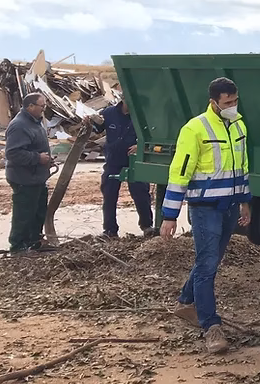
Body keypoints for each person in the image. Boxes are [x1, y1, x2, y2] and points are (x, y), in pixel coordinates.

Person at [159, 77, 251, 354]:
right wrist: (169, 215)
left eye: (235, 101)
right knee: (208, 264)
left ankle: (185, 302)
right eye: (227, 103)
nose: (233, 106)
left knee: (210, 261)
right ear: (213, 102)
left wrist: (246, 203)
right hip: (204, 208)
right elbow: (179, 174)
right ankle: (211, 326)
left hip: (230, 206)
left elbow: (243, 166)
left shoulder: (238, 125)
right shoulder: (195, 129)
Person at [91, 97, 154, 238]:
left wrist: (141, 146)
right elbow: (98, 129)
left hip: (134, 161)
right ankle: (109, 230)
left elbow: (153, 135)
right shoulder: (109, 113)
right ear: (123, 98)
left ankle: (147, 226)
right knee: (109, 195)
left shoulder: (143, 115)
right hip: (113, 161)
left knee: (141, 193)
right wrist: (91, 122)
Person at [4, 93, 58, 253]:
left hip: (37, 177)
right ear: (30, 106)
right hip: (24, 178)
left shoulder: (35, 122)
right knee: (24, 213)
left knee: (38, 211)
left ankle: (34, 241)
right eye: (42, 106)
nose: (44, 109)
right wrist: (37, 158)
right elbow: (12, 153)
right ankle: (18, 245)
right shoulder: (19, 126)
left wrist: (47, 159)